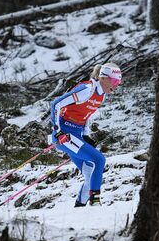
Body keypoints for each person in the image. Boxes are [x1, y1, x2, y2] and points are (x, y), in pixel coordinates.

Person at [50, 63, 122, 207]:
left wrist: (86, 135)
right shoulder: (87, 89)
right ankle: (95, 201)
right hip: (65, 135)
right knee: (99, 160)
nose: (115, 86)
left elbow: (88, 115)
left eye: (118, 83)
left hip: (77, 135)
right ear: (103, 78)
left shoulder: (101, 96)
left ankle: (80, 208)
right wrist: (58, 131)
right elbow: (56, 104)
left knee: (90, 172)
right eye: (114, 81)